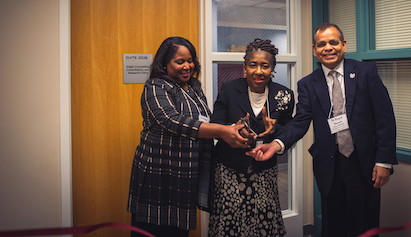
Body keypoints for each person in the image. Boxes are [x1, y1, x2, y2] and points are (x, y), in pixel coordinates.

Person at [248, 24, 397, 237]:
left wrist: (383, 161)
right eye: (322, 44)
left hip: (364, 163)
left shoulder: (365, 72)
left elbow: (385, 118)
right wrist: (276, 144)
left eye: (333, 42)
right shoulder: (308, 84)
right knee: (333, 226)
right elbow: (300, 122)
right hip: (330, 165)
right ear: (314, 50)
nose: (328, 47)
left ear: (343, 45)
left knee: (365, 226)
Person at [127, 37, 250, 237]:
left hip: (185, 172)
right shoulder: (156, 87)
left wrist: (232, 128)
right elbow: (171, 120)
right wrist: (221, 131)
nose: (187, 66)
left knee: (178, 229)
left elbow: (205, 121)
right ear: (164, 64)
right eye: (180, 61)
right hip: (160, 173)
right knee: (153, 229)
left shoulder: (194, 87)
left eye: (190, 60)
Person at [208, 38, 295, 237]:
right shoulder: (229, 88)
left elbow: (290, 132)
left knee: (264, 221)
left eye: (265, 66)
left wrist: (275, 130)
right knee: (229, 223)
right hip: (229, 169)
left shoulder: (284, 95)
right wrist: (233, 130)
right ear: (245, 67)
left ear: (272, 68)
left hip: (264, 170)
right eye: (252, 65)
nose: (258, 71)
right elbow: (216, 123)